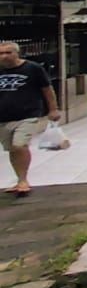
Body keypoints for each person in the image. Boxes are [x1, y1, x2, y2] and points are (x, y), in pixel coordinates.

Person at [0, 40, 60, 198]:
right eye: (1, 53)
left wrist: (53, 109)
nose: (4, 56)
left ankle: (23, 180)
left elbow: (47, 89)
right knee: (12, 149)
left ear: (16, 53)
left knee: (20, 145)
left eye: (8, 53)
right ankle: (19, 179)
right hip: (3, 117)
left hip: (28, 114)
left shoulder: (32, 68)